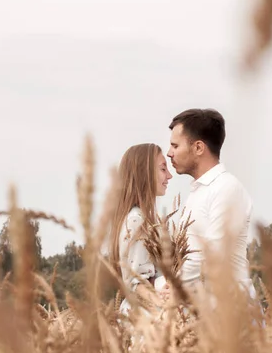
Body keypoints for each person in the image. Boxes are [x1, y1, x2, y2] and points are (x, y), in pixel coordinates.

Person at [166, 108, 256, 301]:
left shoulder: (227, 189)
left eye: (175, 146)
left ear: (198, 148)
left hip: (232, 313)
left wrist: (174, 287)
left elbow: (212, 253)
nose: (169, 153)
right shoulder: (198, 191)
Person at [109, 143, 172, 315]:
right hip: (144, 317)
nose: (169, 176)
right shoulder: (137, 220)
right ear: (146, 173)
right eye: (162, 169)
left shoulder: (142, 218)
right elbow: (136, 283)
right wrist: (165, 303)